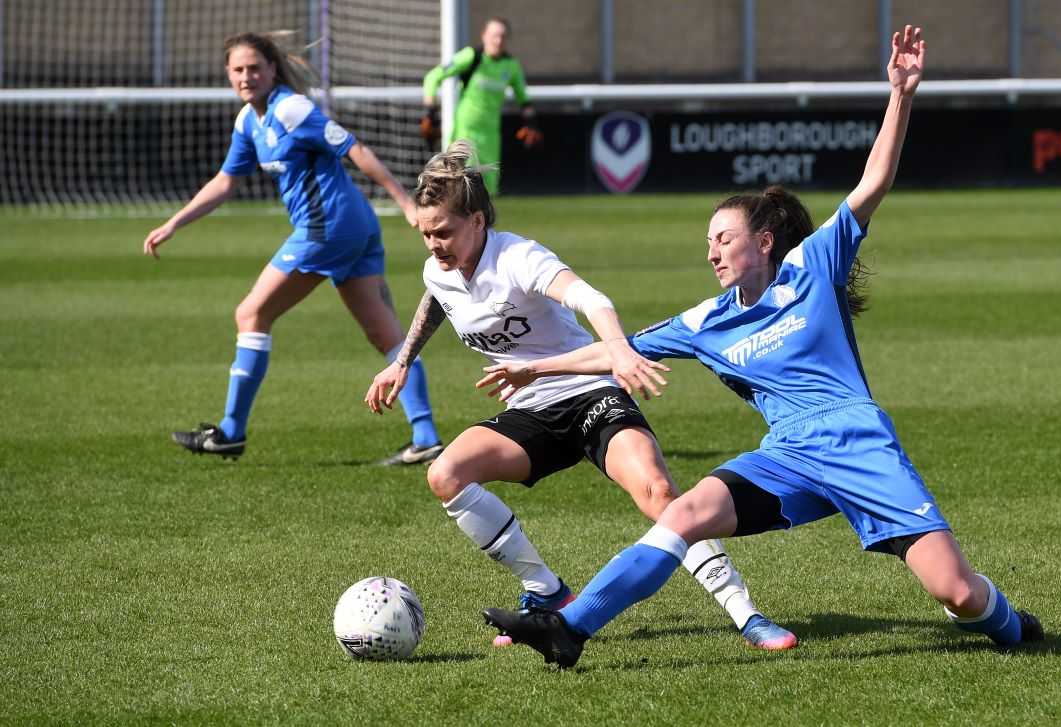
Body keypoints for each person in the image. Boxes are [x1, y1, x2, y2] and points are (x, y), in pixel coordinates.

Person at [480, 26, 1045, 668]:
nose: (712, 250)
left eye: (724, 238)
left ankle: (1013, 625)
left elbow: (874, 181)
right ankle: (570, 627)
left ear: (765, 242)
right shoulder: (708, 320)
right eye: (708, 242)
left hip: (857, 442)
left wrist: (901, 95)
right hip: (789, 456)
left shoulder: (814, 266)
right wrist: (536, 368)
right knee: (684, 512)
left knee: (959, 593)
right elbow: (620, 349)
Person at [364, 140, 795, 650]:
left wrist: (619, 351)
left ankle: (746, 615)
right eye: (427, 234)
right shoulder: (438, 268)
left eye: (444, 232)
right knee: (446, 474)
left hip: (590, 392)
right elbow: (438, 297)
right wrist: (402, 360)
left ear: (478, 221)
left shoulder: (518, 257)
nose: (434, 245)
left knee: (658, 493)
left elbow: (593, 299)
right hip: (530, 409)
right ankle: (546, 593)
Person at [143, 31, 443, 465]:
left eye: (254, 68)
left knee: (251, 313)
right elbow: (227, 180)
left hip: (330, 228)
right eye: (238, 70)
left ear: (271, 70)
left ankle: (230, 431)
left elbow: (354, 147)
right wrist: (175, 223)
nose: (246, 77)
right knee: (386, 334)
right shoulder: (250, 119)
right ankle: (426, 438)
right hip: (354, 228)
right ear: (228, 75)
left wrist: (405, 202)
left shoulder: (291, 108)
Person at [420, 16, 542, 196]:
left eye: (502, 36)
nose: (498, 40)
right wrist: (430, 114)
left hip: (491, 134)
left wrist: (532, 124)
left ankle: (483, 224)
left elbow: (524, 99)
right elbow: (432, 77)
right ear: (484, 36)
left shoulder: (511, 66)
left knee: (488, 189)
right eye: (494, 35)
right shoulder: (471, 56)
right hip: (465, 131)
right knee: (461, 185)